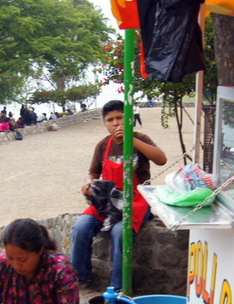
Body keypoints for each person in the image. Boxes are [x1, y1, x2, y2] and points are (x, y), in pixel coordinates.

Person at [71, 100, 167, 291]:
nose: (115, 123)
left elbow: (161, 159)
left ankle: (118, 288)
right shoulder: (103, 145)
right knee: (80, 228)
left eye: (120, 118)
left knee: (119, 232)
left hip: (136, 202)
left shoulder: (141, 138)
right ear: (105, 123)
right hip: (107, 201)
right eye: (110, 120)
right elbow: (93, 172)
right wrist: (89, 183)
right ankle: (80, 278)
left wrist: (131, 139)